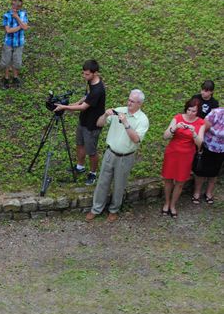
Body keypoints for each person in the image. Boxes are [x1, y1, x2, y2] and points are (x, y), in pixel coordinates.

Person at [86, 89, 149, 222]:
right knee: (102, 182)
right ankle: (96, 208)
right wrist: (105, 115)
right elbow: (99, 123)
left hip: (126, 157)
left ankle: (114, 210)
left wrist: (126, 123)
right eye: (129, 99)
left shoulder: (142, 120)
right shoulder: (119, 110)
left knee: (119, 185)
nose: (129, 102)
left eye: (133, 101)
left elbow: (136, 139)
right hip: (110, 153)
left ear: (140, 104)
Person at [54, 59, 106, 185]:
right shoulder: (90, 82)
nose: (84, 76)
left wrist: (65, 107)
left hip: (92, 125)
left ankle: (93, 173)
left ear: (95, 73)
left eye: (87, 74)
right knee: (79, 144)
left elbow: (84, 107)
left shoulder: (98, 89)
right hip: (83, 121)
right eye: (83, 73)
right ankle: (80, 166)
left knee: (91, 151)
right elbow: (87, 96)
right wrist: (77, 102)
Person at [161, 98, 204, 217]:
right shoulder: (178, 117)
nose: (190, 113)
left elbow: (200, 144)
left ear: (197, 112)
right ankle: (167, 202)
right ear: (186, 109)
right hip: (172, 152)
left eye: (194, 111)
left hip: (186, 155)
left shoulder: (200, 122)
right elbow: (165, 136)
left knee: (180, 182)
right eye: (189, 110)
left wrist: (194, 133)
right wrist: (174, 128)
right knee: (168, 179)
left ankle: (173, 205)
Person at [193, 107, 224, 204]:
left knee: (215, 172)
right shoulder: (217, 113)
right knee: (201, 171)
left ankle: (209, 193)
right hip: (207, 146)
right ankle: (197, 192)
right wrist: (199, 145)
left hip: (221, 150)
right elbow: (203, 129)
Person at [0, 0, 29, 89]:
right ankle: (6, 78)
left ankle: (15, 77)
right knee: (7, 60)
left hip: (19, 42)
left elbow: (25, 27)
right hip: (9, 42)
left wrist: (17, 18)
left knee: (17, 61)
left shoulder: (23, 14)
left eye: (17, 7)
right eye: (14, 6)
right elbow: (8, 30)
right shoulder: (6, 15)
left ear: (20, 7)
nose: (15, 9)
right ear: (11, 5)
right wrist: (20, 26)